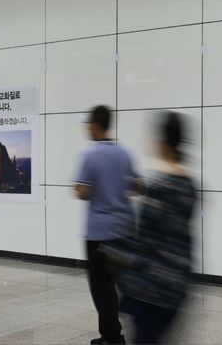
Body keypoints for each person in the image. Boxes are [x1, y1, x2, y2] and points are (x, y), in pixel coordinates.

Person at [102, 111, 197, 344]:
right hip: (177, 286)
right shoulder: (189, 185)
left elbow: (146, 242)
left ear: (162, 142)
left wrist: (113, 253)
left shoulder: (159, 188)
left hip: (152, 291)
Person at [74, 105, 136, 345]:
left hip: (99, 232)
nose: (87, 128)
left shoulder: (91, 155)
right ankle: (132, 322)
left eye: (88, 123)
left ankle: (111, 336)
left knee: (102, 286)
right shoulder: (125, 153)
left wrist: (90, 189)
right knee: (123, 281)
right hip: (124, 228)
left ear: (96, 125)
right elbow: (137, 186)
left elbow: (81, 191)